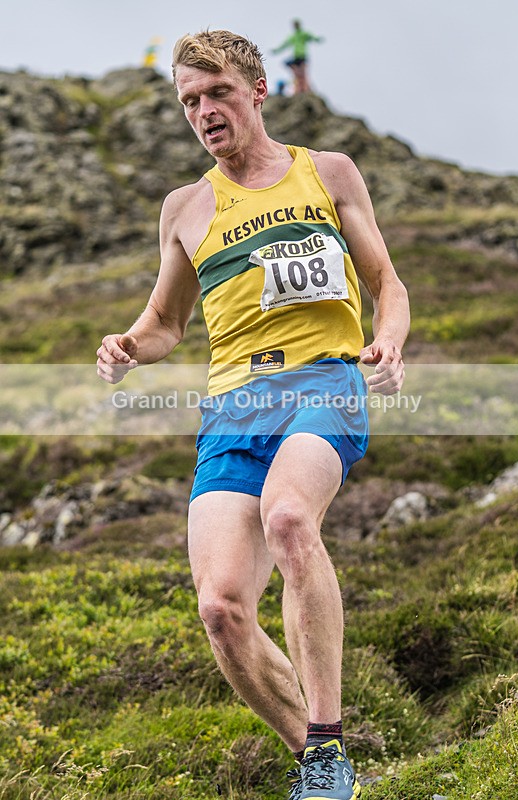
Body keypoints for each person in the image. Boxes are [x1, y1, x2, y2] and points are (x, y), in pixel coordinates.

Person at [96, 29, 409, 800]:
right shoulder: (185, 207)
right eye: (189, 102)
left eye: (217, 94)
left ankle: (330, 745)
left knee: (291, 520)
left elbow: (387, 285)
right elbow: (166, 322)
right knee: (221, 607)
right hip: (233, 405)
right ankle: (322, 765)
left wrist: (389, 343)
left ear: (258, 90)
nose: (204, 112)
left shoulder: (326, 172)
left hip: (323, 382)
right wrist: (129, 345)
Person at [272, 19, 323, 93]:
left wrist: (318, 39)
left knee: (303, 74)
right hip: (296, 57)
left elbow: (312, 37)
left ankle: (304, 89)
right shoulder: (294, 36)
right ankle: (300, 88)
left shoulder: (303, 34)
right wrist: (276, 50)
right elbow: (285, 44)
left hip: (302, 56)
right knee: (298, 74)